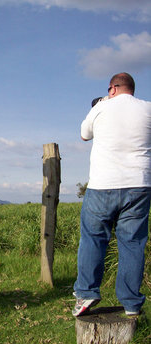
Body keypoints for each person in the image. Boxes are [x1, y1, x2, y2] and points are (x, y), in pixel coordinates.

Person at [73, 73, 151, 317]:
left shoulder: (101, 107)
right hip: (139, 184)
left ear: (113, 88)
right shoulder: (148, 108)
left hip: (103, 184)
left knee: (94, 238)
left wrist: (100, 105)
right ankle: (131, 303)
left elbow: (84, 135)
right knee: (133, 243)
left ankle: (87, 293)